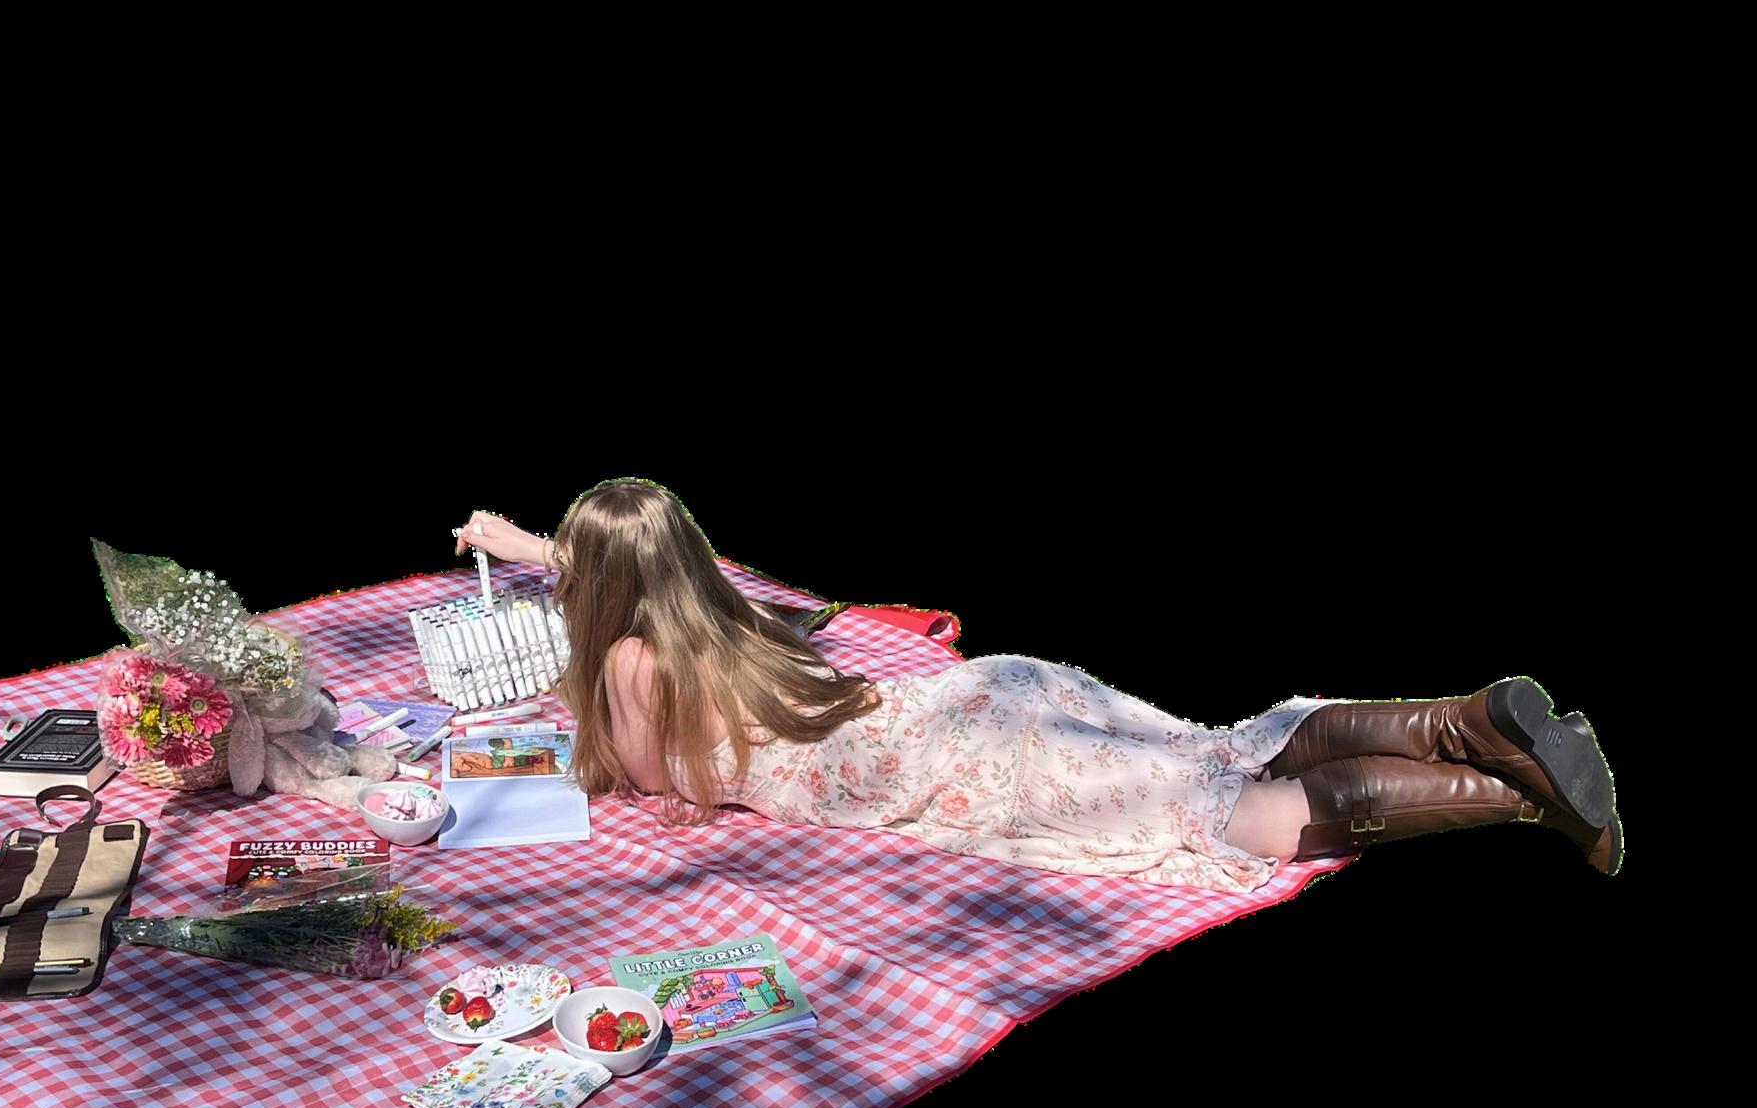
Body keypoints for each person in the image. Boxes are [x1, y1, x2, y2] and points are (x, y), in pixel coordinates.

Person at [452, 478, 1622, 894]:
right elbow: (641, 563)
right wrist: (535, 546)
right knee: (1215, 749)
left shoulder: (630, 662)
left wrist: (566, 617)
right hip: (976, 700)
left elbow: (642, 772)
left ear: (605, 590)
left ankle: (1521, 798)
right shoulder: (717, 605)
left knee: (1230, 815)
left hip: (959, 764)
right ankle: (1468, 720)